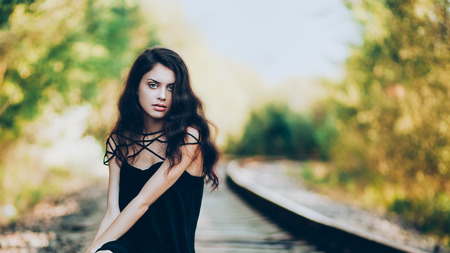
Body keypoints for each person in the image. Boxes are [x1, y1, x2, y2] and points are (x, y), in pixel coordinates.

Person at [86, 47, 220, 253]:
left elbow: (142, 202)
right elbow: (113, 212)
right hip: (126, 246)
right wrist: (93, 250)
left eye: (171, 88)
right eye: (153, 85)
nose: (162, 95)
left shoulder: (188, 137)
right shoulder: (118, 140)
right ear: (136, 88)